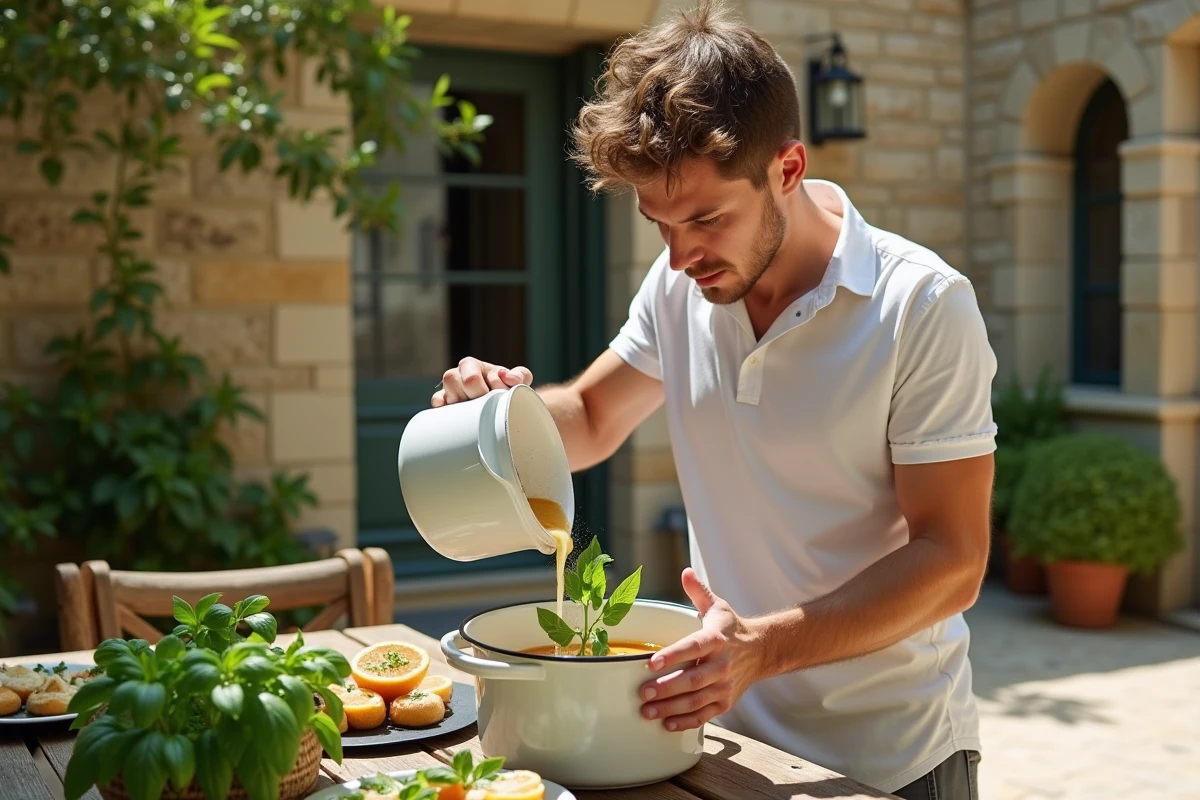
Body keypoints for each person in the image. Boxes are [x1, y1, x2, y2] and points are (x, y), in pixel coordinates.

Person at [430, 2, 993, 798]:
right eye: (659, 222)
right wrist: (500, 412)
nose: (681, 253)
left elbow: (954, 560)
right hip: (721, 744)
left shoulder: (921, 305)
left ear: (788, 169)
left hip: (891, 760)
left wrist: (763, 648)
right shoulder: (681, 282)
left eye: (705, 218)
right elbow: (591, 419)